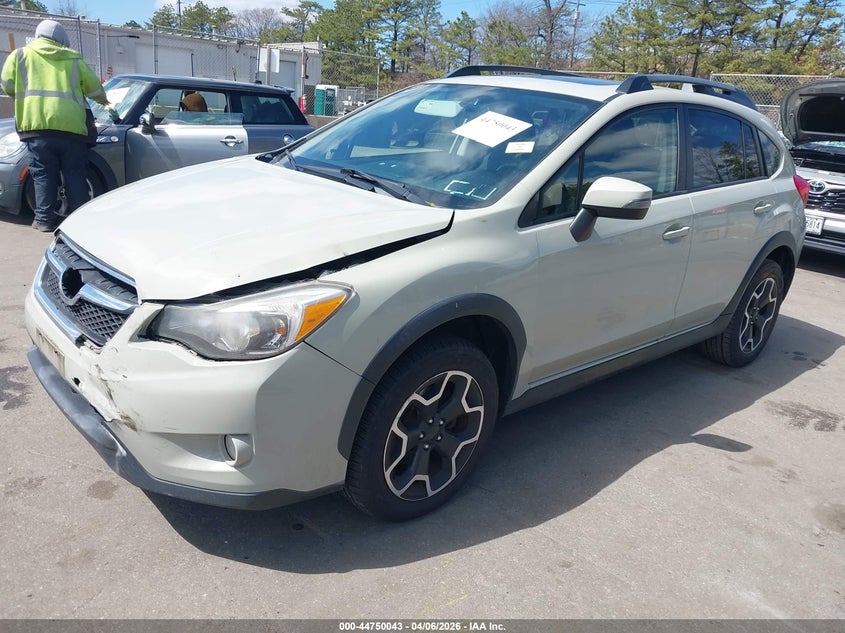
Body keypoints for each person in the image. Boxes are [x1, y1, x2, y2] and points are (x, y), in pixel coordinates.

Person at [1, 19, 108, 232]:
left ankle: (44, 220)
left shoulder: (19, 56)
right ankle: (78, 221)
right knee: (75, 174)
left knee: (42, 174)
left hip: (36, 127)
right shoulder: (74, 59)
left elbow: (7, 85)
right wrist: (105, 102)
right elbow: (95, 89)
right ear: (62, 40)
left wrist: (24, 99)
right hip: (72, 130)